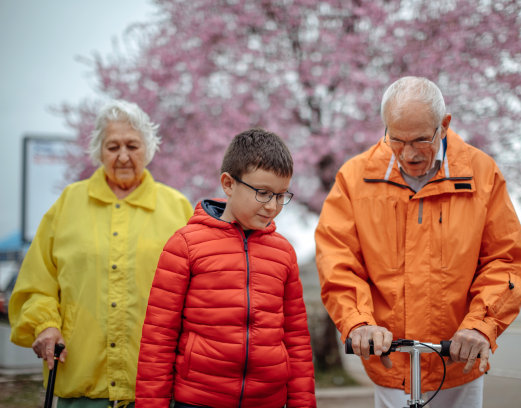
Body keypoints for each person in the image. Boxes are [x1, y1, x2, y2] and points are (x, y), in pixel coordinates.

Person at [315, 76, 521, 408]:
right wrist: (358, 321)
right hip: (392, 364)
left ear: (443, 125)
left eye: (420, 139)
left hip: (459, 363)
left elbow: (506, 260)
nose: (409, 153)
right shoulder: (354, 178)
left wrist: (480, 325)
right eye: (397, 140)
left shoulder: (481, 173)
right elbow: (337, 259)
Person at [9, 99, 193, 408]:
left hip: (157, 390)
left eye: (133, 146)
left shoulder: (177, 208)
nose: (123, 156)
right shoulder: (68, 204)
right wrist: (45, 324)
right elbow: (36, 285)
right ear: (98, 149)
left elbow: (200, 294)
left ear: (148, 148)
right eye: (112, 147)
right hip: (81, 386)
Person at [135, 128, 316, 408]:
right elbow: (158, 337)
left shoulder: (284, 252)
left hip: (268, 402)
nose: (272, 206)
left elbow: (297, 339)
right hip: (199, 400)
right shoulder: (184, 245)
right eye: (263, 193)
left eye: (281, 196)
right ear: (228, 184)